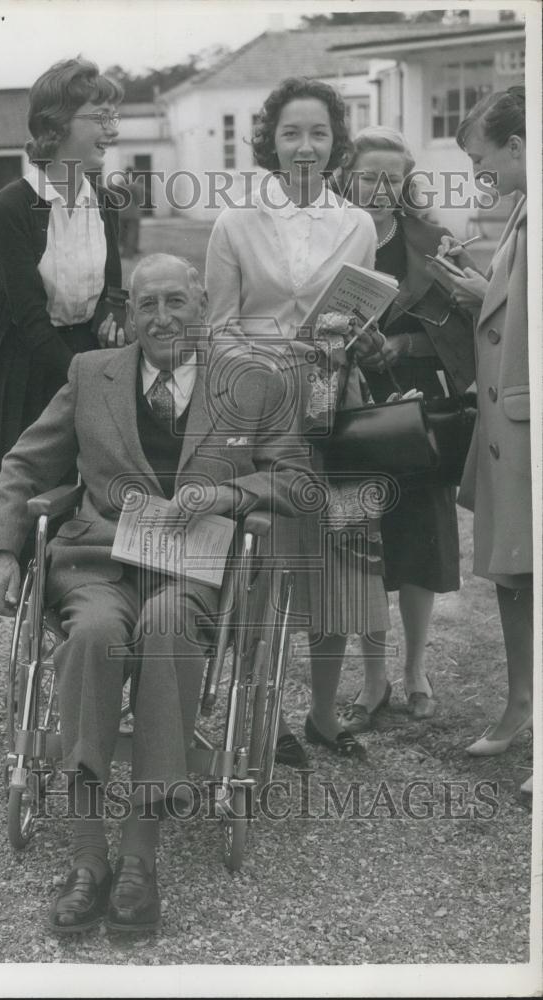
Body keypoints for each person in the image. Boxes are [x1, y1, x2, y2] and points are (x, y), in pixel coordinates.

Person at [0, 254, 313, 933]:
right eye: (146, 305)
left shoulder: (253, 381)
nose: (162, 317)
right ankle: (86, 859)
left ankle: (139, 858)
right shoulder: (90, 373)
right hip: (99, 561)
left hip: (190, 571)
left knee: (165, 630)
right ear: (127, 315)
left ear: (201, 305)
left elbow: (292, 478)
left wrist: (227, 492)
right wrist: (3, 550)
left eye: (176, 302)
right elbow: (25, 463)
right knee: (97, 635)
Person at [205, 76, 389, 762]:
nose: (306, 146)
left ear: (336, 141)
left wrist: (360, 342)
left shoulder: (359, 223)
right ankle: (264, 716)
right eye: (291, 133)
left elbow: (359, 311)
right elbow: (218, 330)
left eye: (318, 132)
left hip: (339, 410)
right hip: (264, 420)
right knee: (270, 567)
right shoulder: (235, 222)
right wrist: (276, 367)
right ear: (271, 143)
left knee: (343, 565)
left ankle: (321, 715)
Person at [0, 58, 126, 582]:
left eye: (112, 117)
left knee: (95, 505)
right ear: (55, 126)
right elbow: (29, 317)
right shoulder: (12, 209)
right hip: (30, 371)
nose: (111, 129)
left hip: (90, 361)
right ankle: (27, 631)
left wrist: (114, 316)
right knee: (27, 510)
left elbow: (112, 285)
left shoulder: (107, 199)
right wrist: (86, 381)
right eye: (98, 117)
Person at [337, 127, 476, 731]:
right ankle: (373, 675)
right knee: (361, 544)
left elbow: (473, 321)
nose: (380, 187)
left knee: (418, 542)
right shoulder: (330, 233)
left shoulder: (433, 241)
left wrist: (401, 342)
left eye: (393, 177)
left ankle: (416, 669)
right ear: (348, 175)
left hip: (417, 406)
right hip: (346, 405)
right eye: (369, 175)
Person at [430, 87, 532, 792]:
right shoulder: (524, 206)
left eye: (480, 160)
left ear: (520, 146)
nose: (476, 177)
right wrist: (477, 290)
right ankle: (520, 703)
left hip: (529, 425)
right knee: (512, 572)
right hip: (508, 424)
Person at [119, 166, 145, 258]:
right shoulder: (136, 185)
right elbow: (139, 200)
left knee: (123, 233)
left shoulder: (119, 184)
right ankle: (129, 253)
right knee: (132, 233)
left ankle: (124, 251)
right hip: (133, 213)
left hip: (121, 212)